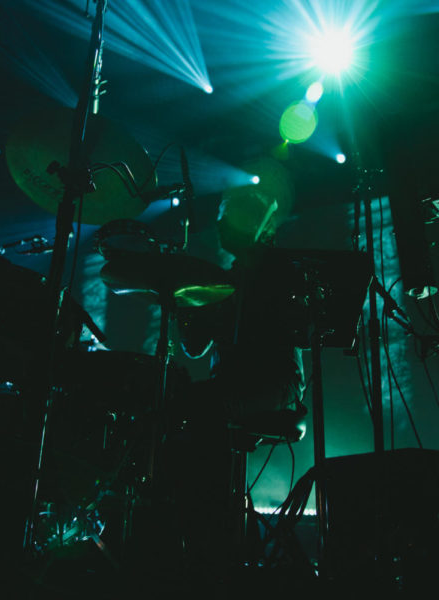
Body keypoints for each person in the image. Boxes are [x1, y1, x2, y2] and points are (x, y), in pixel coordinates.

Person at [162, 160, 307, 579]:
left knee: (201, 406)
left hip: (274, 386)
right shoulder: (226, 279)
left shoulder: (272, 269)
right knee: (182, 401)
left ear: (246, 223)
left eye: (224, 219)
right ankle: (207, 527)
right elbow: (194, 346)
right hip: (235, 387)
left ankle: (213, 534)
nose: (218, 226)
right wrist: (181, 307)